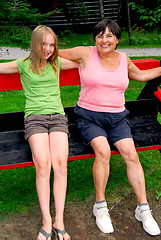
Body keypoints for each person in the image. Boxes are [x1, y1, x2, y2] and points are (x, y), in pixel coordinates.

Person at [58, 19, 161, 236]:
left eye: (109, 36)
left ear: (117, 40)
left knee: (131, 155)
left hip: (117, 119)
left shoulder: (124, 59)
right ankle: (100, 207)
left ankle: (143, 209)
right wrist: (69, 63)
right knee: (103, 152)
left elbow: (140, 75)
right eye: (99, 36)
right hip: (89, 118)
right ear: (95, 39)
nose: (104, 40)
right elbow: (54, 53)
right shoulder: (86, 53)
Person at [0, 25, 79, 240]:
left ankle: (59, 220)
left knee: (60, 163)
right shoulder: (23, 65)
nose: (47, 48)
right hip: (34, 119)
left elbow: (86, 60)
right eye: (43, 44)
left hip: (58, 118)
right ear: (35, 43)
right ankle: (46, 220)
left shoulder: (57, 63)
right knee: (43, 163)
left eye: (52, 44)